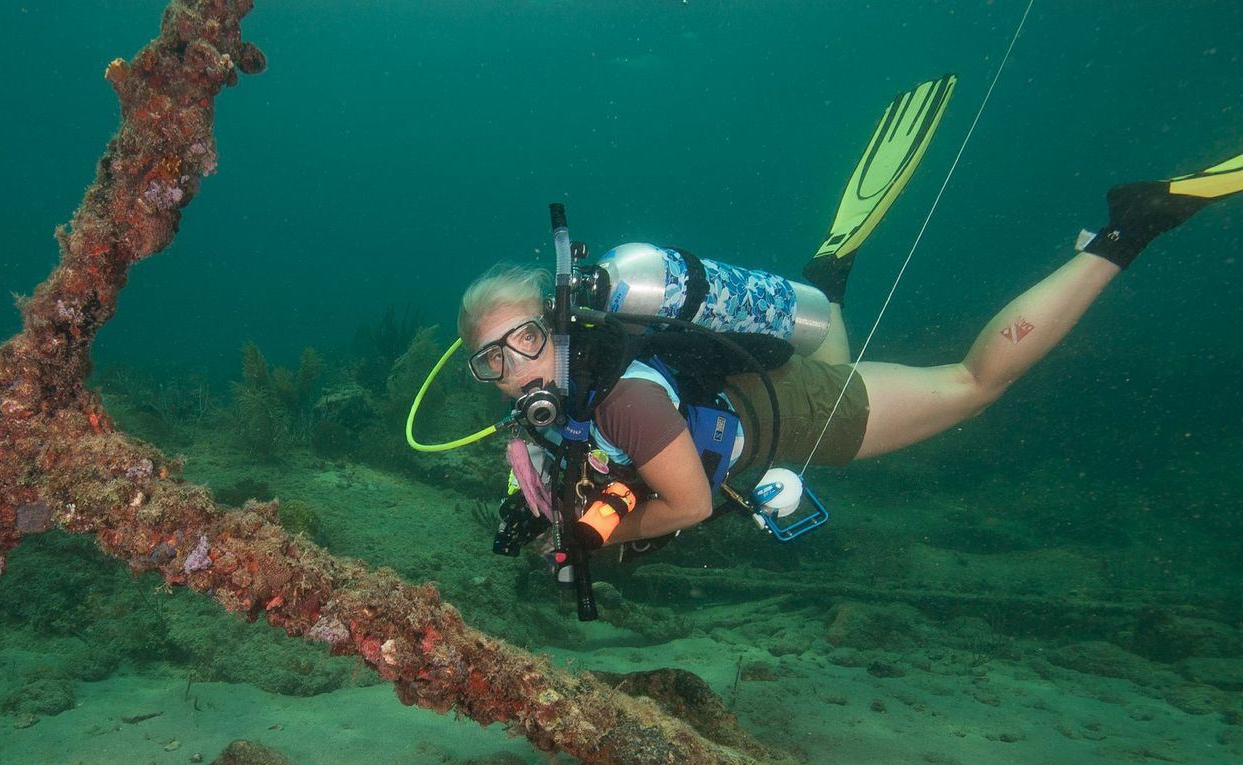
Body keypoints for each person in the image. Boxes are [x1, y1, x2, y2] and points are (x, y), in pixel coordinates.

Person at [457, 129, 1241, 554]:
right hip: (759, 389)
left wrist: (586, 530)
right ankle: (824, 283)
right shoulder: (572, 397)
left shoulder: (622, 399)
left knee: (973, 382)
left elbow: (690, 506)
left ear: (559, 324)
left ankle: (1126, 230)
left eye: (524, 337)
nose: (514, 367)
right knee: (825, 342)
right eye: (491, 358)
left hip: (810, 413)